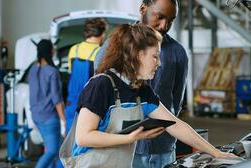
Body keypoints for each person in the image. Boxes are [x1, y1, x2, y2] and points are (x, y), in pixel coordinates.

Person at [59, 24, 239, 168]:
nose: (159, 63)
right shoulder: (101, 85)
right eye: (155, 57)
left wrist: (216, 153)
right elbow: (84, 137)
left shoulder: (141, 91)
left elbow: (176, 125)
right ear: (137, 55)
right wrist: (130, 139)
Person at [94, 0, 188, 167]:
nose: (164, 26)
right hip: (126, 147)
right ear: (143, 9)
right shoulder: (115, 46)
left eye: (171, 20)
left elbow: (176, 101)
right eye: (159, 17)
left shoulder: (177, 53)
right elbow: (101, 94)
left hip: (164, 147)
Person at [65, 18, 108, 133]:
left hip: (71, 102)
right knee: (86, 141)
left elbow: (70, 74)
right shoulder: (101, 52)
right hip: (89, 103)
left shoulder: (74, 49)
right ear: (102, 33)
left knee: (70, 141)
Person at [28, 39, 66, 168]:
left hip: (36, 115)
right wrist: (63, 121)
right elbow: (57, 99)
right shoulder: (51, 71)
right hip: (49, 117)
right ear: (50, 51)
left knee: (52, 150)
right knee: (53, 151)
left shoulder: (33, 69)